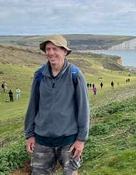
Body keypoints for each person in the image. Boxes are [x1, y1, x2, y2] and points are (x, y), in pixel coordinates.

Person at [24, 35, 90, 175]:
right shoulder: (39, 75)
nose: (51, 53)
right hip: (42, 139)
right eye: (48, 49)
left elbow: (83, 109)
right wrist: (30, 135)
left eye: (55, 49)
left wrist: (81, 140)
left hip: (69, 140)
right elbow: (33, 106)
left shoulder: (75, 75)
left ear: (65, 51)